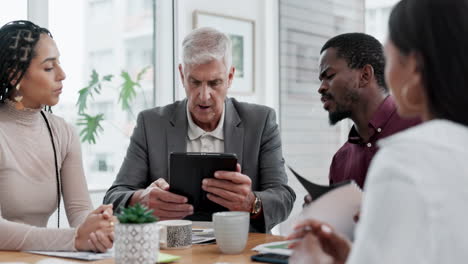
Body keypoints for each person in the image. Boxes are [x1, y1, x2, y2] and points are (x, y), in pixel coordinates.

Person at [289, 0, 468, 262]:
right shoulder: (341, 159)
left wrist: (314, 257)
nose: (321, 88)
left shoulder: (406, 153)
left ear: (415, 66)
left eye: (391, 55)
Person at [104, 27, 296, 233]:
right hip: (172, 248)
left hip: (237, 248)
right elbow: (113, 197)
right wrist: (141, 200)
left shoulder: (260, 121)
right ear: (181, 74)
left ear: (230, 76)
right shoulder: (150, 124)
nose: (204, 96)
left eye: (215, 83)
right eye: (195, 82)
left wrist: (251, 203)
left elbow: (283, 198)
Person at [0, 20, 115, 252]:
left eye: (59, 64)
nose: (62, 75)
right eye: (49, 67)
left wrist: (96, 227)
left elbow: (79, 210)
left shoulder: (62, 132)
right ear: (15, 76)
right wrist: (72, 240)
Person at [304, 32, 420, 205]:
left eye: (329, 76)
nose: (321, 88)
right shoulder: (340, 161)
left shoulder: (420, 129)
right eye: (321, 80)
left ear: (365, 75)